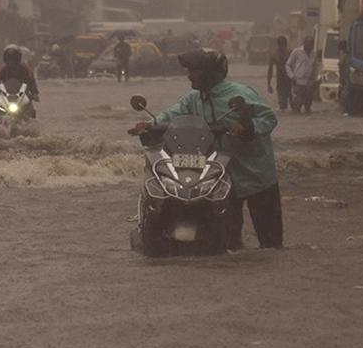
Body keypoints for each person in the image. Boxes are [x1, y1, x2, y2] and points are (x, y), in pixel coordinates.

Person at [137, 48, 283, 249]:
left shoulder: (241, 94)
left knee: (271, 243)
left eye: (194, 71)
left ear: (210, 73)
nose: (189, 75)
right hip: (222, 176)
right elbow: (172, 114)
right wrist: (150, 124)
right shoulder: (194, 98)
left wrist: (247, 127)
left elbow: (269, 118)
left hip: (256, 174)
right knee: (229, 242)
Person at [285, 35, 321, 114]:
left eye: (311, 44)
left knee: (308, 106)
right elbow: (288, 65)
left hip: (309, 82)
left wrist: (315, 79)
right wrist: (292, 76)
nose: (310, 46)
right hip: (298, 81)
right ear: (304, 43)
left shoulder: (314, 54)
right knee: (297, 105)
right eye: (308, 43)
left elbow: (315, 67)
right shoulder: (297, 52)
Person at [266, 35, 293, 111]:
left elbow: (296, 66)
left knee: (294, 103)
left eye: (284, 45)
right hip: (280, 81)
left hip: (290, 80)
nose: (282, 47)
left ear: (286, 45)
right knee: (282, 105)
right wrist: (269, 84)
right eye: (281, 45)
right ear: (278, 45)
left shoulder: (290, 53)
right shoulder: (274, 55)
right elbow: (270, 70)